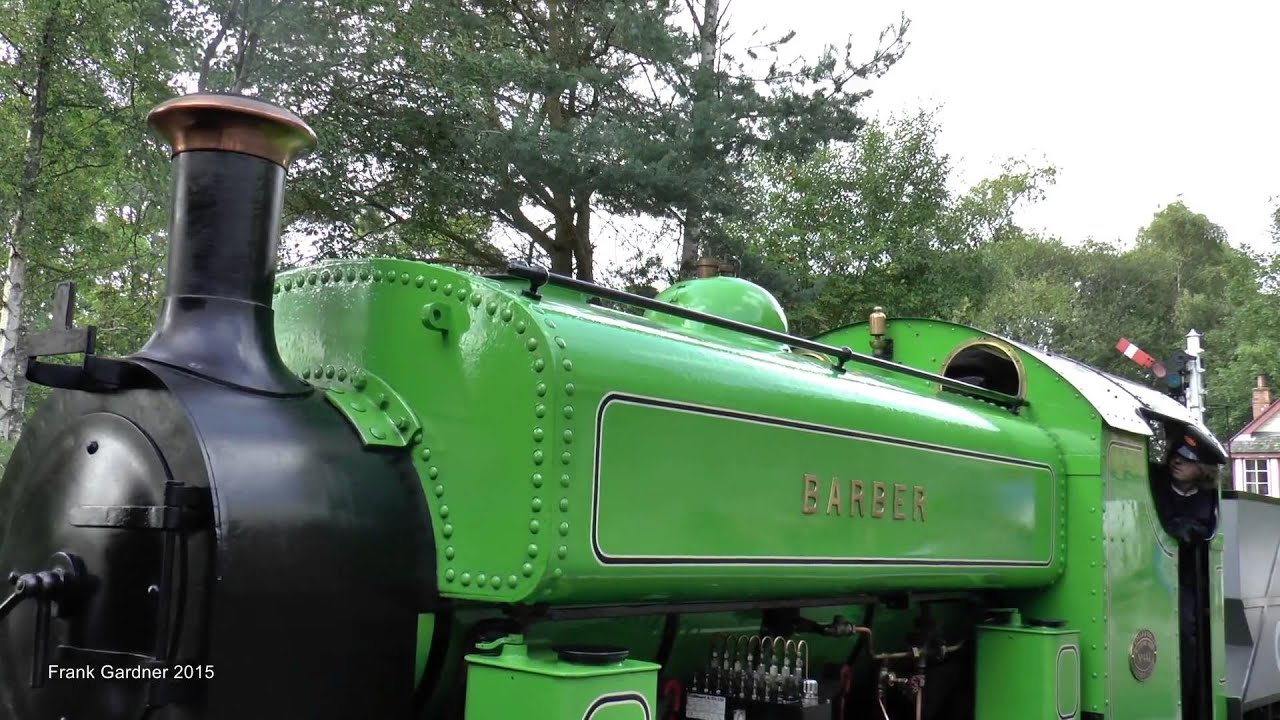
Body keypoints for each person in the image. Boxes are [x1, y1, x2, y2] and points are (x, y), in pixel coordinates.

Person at [1150, 431, 1219, 718]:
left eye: (1187, 459)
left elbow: (1209, 532)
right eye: (1175, 456)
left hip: (1186, 582)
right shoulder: (1154, 484)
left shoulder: (1208, 499)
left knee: (1187, 637)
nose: (1177, 461)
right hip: (1149, 577)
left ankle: (1188, 701)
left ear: (1201, 469)